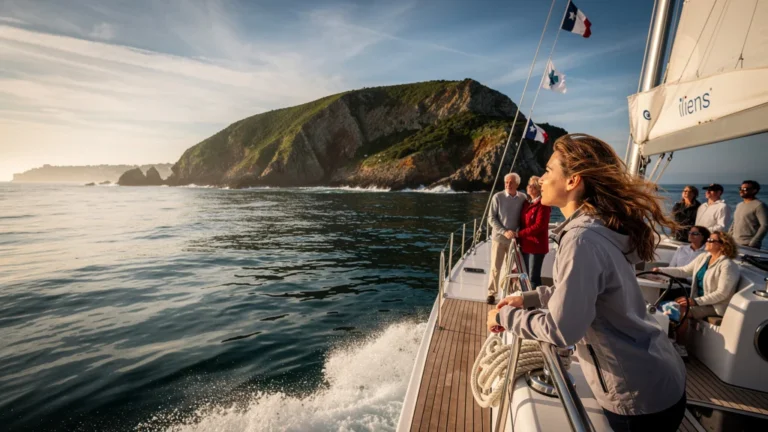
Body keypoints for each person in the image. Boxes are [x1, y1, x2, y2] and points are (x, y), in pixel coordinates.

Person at [487, 134, 686, 431]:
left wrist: (505, 315)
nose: (541, 179)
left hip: (638, 398)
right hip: (659, 375)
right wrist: (530, 298)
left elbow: (561, 329)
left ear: (572, 181)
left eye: (549, 171)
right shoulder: (599, 228)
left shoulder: (582, 239)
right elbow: (590, 292)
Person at [654, 231, 740, 340]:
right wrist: (660, 270)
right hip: (699, 302)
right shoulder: (704, 257)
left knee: (681, 310)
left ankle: (680, 345)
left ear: (722, 245)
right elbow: (684, 270)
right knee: (666, 304)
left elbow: (722, 293)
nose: (707, 241)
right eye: (708, 239)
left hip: (715, 306)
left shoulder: (728, 265)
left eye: (711, 240)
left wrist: (695, 301)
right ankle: (668, 337)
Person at [486, 172, 527, 304]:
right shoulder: (497, 197)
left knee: (509, 268)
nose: (508, 184)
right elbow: (491, 218)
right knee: (495, 267)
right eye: (506, 182)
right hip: (499, 238)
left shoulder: (523, 198)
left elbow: (523, 218)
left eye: (511, 182)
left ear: (517, 184)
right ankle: (491, 293)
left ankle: (505, 293)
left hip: (514, 239)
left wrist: (518, 232)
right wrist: (504, 231)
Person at [517, 176, 551, 288]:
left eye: (532, 185)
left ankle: (534, 303)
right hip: (525, 245)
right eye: (528, 184)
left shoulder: (543, 205)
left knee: (533, 278)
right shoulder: (527, 203)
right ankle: (526, 300)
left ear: (538, 189)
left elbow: (539, 226)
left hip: (536, 247)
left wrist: (519, 234)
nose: (528, 187)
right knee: (524, 275)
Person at [729, 180, 768, 248]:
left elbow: (765, 225)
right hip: (734, 243)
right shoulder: (739, 205)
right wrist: (728, 237)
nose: (741, 190)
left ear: (754, 191)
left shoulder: (759, 205)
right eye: (740, 188)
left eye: (745, 189)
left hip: (748, 245)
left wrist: (754, 242)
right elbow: (734, 222)